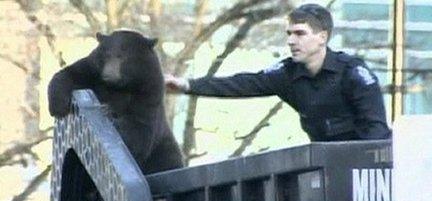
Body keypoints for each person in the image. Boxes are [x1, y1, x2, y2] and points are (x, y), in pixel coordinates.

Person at [165, 3, 391, 142]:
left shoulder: (353, 73)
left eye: (300, 33)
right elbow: (242, 84)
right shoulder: (287, 74)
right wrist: (187, 85)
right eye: (289, 33)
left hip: (366, 172)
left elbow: (376, 130)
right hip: (326, 167)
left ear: (322, 37)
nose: (291, 41)